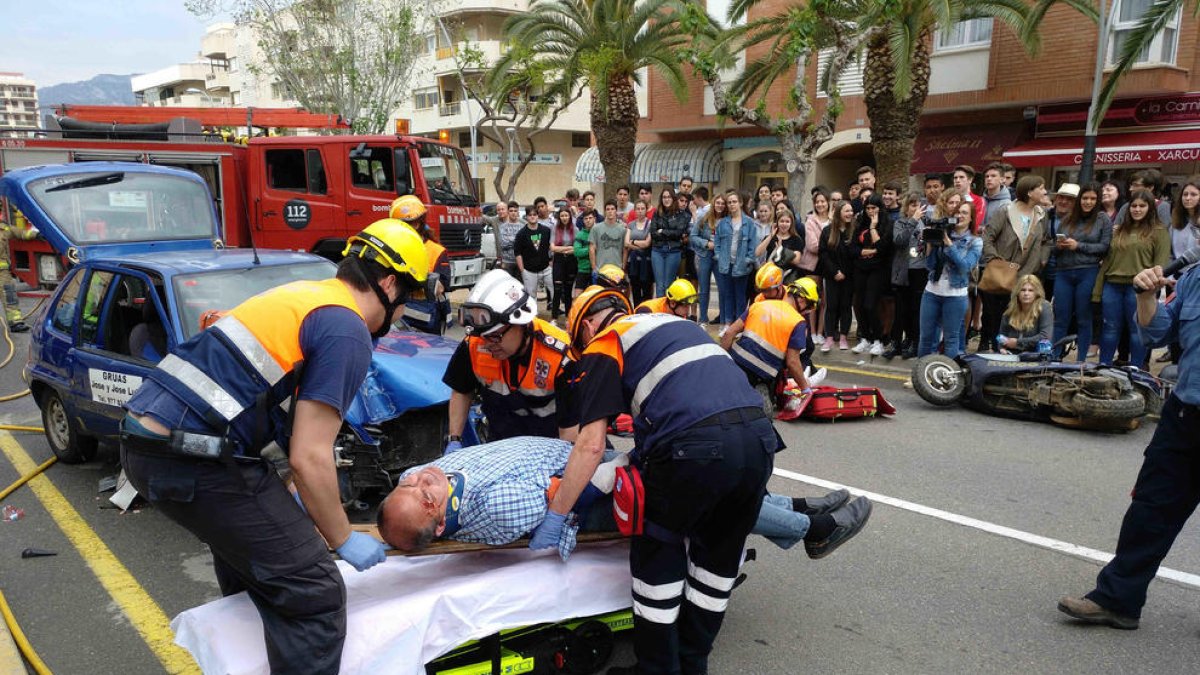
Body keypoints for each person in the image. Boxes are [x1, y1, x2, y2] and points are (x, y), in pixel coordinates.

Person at [120, 219, 427, 673]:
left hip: (152, 444)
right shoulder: (348, 330)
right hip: (193, 457)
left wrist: (293, 499)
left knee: (257, 571)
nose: (401, 314)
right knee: (314, 590)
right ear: (388, 284)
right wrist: (342, 537)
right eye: (408, 299)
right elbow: (310, 454)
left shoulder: (307, 297)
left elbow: (274, 420)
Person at [539, 286, 872, 675]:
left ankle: (658, 670)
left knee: (657, 557)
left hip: (693, 449)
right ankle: (693, 664)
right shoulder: (678, 326)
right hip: (758, 440)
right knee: (716, 565)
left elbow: (590, 445)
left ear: (587, 327)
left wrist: (558, 513)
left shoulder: (606, 343)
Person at [378, 436, 857, 556]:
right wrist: (611, 464)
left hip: (586, 460)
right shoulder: (496, 507)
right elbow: (567, 496)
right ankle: (812, 529)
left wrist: (416, 484)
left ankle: (796, 508)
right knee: (703, 498)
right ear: (442, 523)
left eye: (410, 483)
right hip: (593, 490)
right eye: (423, 495)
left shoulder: (425, 481)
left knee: (710, 483)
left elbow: (418, 477)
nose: (421, 480)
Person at [1057, 258, 1200, 631]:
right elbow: (1157, 335)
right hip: (1185, 416)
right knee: (1149, 511)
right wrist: (1146, 295)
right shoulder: (1194, 278)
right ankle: (1118, 600)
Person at [445, 269, 575, 445]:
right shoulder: (474, 344)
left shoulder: (561, 357)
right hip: (501, 446)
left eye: (495, 336)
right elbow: (461, 390)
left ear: (521, 324)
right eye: (483, 336)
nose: (487, 344)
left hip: (552, 445)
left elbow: (574, 430)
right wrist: (454, 439)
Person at [1092, 189, 1171, 366]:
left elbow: (1160, 266)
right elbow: (1107, 261)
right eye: (1133, 206)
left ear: (1150, 208)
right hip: (1112, 285)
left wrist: (1152, 290)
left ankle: (1136, 370)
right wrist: (1097, 290)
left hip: (1139, 289)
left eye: (1142, 206)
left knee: (1137, 331)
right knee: (1110, 329)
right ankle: (1103, 367)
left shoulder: (1159, 231)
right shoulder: (1119, 230)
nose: (1137, 209)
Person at [980, 175, 1051, 353]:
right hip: (1001, 275)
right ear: (1029, 192)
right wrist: (995, 260)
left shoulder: (1042, 215)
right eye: (1041, 188)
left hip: (1026, 275)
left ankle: (1011, 351)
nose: (1045, 192)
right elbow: (987, 237)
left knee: (1015, 316)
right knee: (995, 316)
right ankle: (995, 350)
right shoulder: (1005, 211)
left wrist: (1042, 259)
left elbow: (1046, 241)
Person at [721, 273, 824, 393]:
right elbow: (792, 362)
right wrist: (805, 388)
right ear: (801, 299)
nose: (807, 311)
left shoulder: (758, 305)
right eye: (809, 306)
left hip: (735, 363)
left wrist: (720, 362)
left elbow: (729, 333)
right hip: (763, 375)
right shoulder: (798, 322)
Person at [917, 197, 983, 358]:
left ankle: (948, 373)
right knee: (925, 337)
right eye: (957, 212)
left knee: (951, 339)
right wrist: (930, 245)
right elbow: (930, 266)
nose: (960, 215)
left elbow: (965, 267)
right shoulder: (943, 234)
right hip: (932, 292)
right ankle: (921, 371)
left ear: (971, 218)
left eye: (964, 213)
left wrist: (949, 245)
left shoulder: (975, 241)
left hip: (955, 295)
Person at [1053, 183, 1112, 361]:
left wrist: (1078, 245)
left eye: (1093, 198)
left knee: (1084, 318)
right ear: (1079, 199)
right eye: (1085, 198)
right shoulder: (1068, 218)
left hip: (1088, 271)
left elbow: (1104, 247)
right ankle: (1054, 358)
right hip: (1063, 271)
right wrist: (1059, 246)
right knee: (1060, 318)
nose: (1088, 202)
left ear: (1098, 200)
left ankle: (1081, 360)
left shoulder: (1102, 219)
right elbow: (1053, 250)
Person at [392, 196, 451, 335]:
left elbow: (440, 287)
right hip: (399, 321)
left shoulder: (436, 251)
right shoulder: (394, 248)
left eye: (404, 224)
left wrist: (412, 276)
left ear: (417, 224)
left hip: (427, 321)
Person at [850, 193, 893, 356]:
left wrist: (873, 227)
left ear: (880, 208)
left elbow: (882, 247)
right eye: (867, 208)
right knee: (859, 305)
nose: (870, 211)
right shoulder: (861, 223)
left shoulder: (887, 224)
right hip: (860, 268)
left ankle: (879, 340)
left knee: (871, 305)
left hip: (878, 269)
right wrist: (867, 251)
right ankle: (866, 338)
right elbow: (853, 249)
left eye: (873, 208)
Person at [889, 193, 928, 359]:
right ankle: (896, 343)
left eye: (919, 205)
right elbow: (899, 240)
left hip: (920, 270)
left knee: (915, 309)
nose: (916, 209)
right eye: (913, 205)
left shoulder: (927, 223)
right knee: (901, 310)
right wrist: (913, 220)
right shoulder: (901, 222)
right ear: (906, 207)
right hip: (903, 271)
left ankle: (914, 342)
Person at [715, 191, 758, 337]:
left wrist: (747, 260)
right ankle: (728, 324)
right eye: (729, 202)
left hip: (742, 265)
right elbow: (717, 242)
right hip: (726, 264)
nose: (731, 204)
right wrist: (719, 256)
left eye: (734, 201)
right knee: (728, 295)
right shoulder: (723, 223)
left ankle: (739, 327)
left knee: (740, 297)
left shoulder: (749, 223)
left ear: (740, 203)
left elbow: (753, 244)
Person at [819, 200, 856, 352]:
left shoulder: (854, 231)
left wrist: (844, 272)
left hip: (849, 276)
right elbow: (823, 254)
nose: (850, 214)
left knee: (846, 306)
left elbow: (854, 254)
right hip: (831, 276)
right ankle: (829, 338)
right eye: (846, 211)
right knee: (831, 306)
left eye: (851, 211)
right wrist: (835, 272)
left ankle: (843, 337)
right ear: (839, 213)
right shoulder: (827, 231)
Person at [1041, 182, 1081, 302]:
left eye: (1069, 199)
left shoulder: (1081, 221)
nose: (1064, 201)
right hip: (1043, 271)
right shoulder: (1044, 215)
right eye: (1061, 197)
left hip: (1067, 273)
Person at [996, 275, 1053, 354]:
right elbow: (1002, 335)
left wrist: (1018, 342)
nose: (1026, 293)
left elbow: (1045, 336)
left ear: (1037, 293)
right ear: (1017, 292)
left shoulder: (1044, 307)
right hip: (1012, 354)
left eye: (1030, 290)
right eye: (1023, 290)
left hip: (1035, 354)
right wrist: (1001, 348)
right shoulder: (1010, 310)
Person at [0, 214, 38, 332]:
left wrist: (36, 234)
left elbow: (22, 233)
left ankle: (16, 323)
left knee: (9, 295)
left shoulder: (4, 228)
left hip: (2, 272)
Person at [649, 188, 689, 297]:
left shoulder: (680, 214)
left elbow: (679, 233)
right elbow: (653, 233)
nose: (666, 199)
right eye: (664, 197)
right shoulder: (657, 213)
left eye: (669, 197)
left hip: (673, 251)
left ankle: (668, 308)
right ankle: (660, 307)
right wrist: (670, 233)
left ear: (673, 198)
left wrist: (662, 231)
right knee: (660, 285)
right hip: (657, 251)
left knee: (668, 285)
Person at [691, 192, 723, 326]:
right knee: (704, 288)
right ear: (713, 203)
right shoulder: (704, 217)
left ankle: (723, 318)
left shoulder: (727, 219)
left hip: (720, 256)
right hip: (705, 254)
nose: (720, 205)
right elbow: (693, 236)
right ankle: (703, 318)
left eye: (722, 203)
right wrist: (706, 243)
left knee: (722, 288)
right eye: (718, 203)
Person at [515, 206, 552, 308]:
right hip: (529, 270)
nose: (532, 217)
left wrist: (551, 262)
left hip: (546, 268)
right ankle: (533, 315)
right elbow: (517, 253)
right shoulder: (521, 234)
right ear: (526, 217)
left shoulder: (546, 231)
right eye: (530, 215)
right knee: (531, 297)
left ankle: (555, 311)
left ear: (538, 216)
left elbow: (551, 247)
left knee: (555, 289)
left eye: (534, 214)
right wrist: (522, 270)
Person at [755, 209, 805, 282]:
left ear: (791, 223)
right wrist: (771, 235)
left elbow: (797, 260)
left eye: (787, 221)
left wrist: (780, 251)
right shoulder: (771, 237)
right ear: (777, 222)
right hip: (770, 277)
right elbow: (757, 253)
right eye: (782, 221)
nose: (784, 224)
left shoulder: (796, 239)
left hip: (788, 278)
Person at [550, 208, 578, 321]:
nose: (564, 218)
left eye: (566, 215)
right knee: (557, 290)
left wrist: (561, 249)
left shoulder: (575, 229)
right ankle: (554, 318)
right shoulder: (555, 228)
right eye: (562, 216)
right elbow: (552, 248)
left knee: (568, 290)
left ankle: (568, 317)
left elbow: (576, 248)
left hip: (571, 261)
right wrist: (568, 248)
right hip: (558, 260)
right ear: (559, 217)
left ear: (570, 217)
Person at [626, 200, 655, 307]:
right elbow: (626, 243)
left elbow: (647, 243)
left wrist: (633, 242)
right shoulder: (631, 224)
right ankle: (636, 311)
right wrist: (639, 245)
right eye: (638, 208)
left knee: (647, 290)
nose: (640, 211)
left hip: (646, 262)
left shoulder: (651, 224)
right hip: (633, 262)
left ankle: (647, 312)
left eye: (642, 208)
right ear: (634, 210)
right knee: (635, 289)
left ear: (646, 210)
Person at [590, 199, 628, 276]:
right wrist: (594, 268)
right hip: (600, 269)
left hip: (617, 269)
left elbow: (625, 249)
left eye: (612, 209)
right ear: (605, 211)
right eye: (608, 209)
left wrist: (623, 266)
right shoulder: (596, 228)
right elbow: (591, 248)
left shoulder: (623, 229)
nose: (610, 211)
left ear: (616, 211)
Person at [1169, 177, 1200, 265]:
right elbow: (1170, 253)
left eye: (1193, 194)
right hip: (1177, 271)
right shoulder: (1175, 222)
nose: (1188, 198)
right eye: (1185, 194)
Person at [953, 164, 986, 230]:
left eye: (961, 177)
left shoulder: (979, 200)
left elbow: (975, 223)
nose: (957, 180)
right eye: (955, 178)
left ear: (970, 180)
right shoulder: (948, 199)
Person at [497, 199, 523, 278]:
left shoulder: (523, 227)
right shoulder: (502, 227)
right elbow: (503, 244)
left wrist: (510, 239)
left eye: (515, 211)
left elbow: (524, 245)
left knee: (520, 284)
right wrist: (517, 241)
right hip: (507, 262)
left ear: (518, 212)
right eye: (511, 211)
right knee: (507, 284)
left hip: (520, 262)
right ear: (508, 212)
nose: (513, 213)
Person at [573, 211, 595, 297]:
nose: (588, 220)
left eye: (590, 218)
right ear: (583, 221)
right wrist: (591, 249)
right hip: (583, 269)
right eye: (586, 219)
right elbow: (577, 252)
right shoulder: (580, 235)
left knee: (595, 297)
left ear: (594, 219)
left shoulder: (599, 232)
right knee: (577, 297)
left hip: (597, 270)